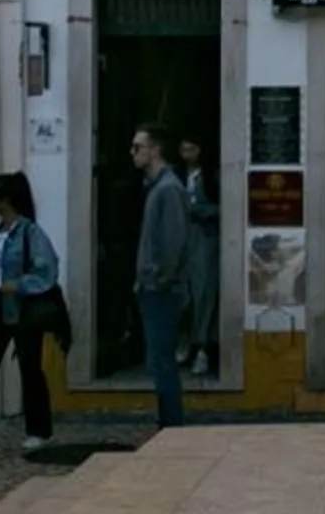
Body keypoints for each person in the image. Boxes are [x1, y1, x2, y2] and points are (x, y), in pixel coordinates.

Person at [0, 172, 66, 457]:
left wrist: (20, 285)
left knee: (30, 368)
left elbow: (47, 269)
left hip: (23, 309)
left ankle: (39, 430)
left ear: (6, 199)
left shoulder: (30, 233)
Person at [129, 122, 190, 428]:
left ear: (154, 150)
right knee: (157, 359)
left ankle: (171, 425)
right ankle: (167, 421)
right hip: (152, 286)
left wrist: (159, 279)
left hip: (162, 290)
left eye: (138, 147)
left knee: (161, 360)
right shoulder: (155, 187)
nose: (133, 153)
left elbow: (173, 242)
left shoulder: (169, 189)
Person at [176, 135, 220, 380]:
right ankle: (185, 341)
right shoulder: (175, 177)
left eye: (191, 148)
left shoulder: (212, 177)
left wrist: (199, 211)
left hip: (204, 241)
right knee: (183, 297)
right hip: (181, 242)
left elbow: (226, 207)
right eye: (183, 149)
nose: (187, 154)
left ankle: (202, 347)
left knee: (204, 295)